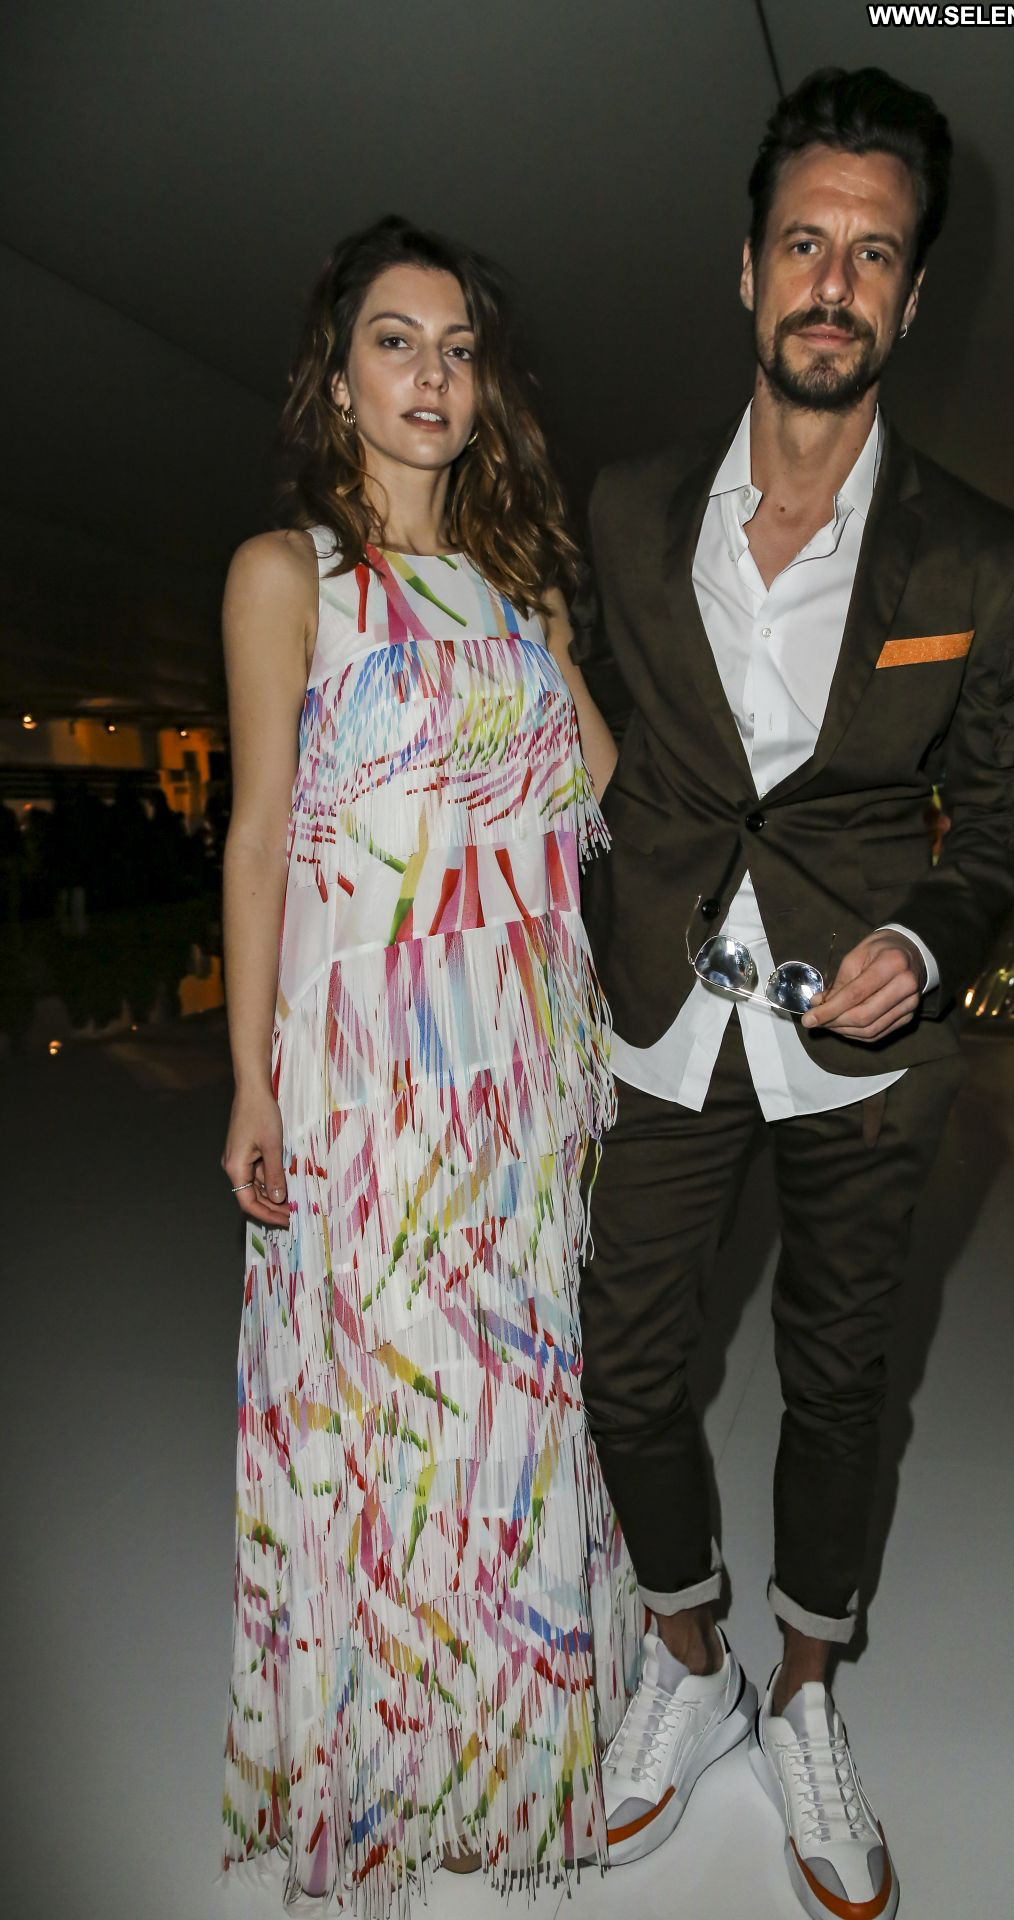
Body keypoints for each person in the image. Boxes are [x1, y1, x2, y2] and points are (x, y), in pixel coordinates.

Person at [576, 68, 1014, 1920]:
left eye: (874, 254)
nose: (833, 283)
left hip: (867, 1052)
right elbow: (579, 744)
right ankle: (687, 1660)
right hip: (664, 1015)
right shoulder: (630, 512)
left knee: (843, 1383)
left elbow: (1006, 812)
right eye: (805, 244)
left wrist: (925, 940)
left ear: (913, 297)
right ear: (748, 269)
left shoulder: (983, 552)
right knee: (629, 1365)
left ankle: (802, 1695)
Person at [218, 215, 640, 1909]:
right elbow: (259, 838)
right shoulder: (287, 576)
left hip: (518, 1071)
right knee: (384, 1420)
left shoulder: (520, 583)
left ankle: (503, 1755)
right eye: (395, 341)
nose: (431, 375)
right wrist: (252, 1081)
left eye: (459, 349)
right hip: (367, 1074)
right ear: (337, 377)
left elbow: (596, 791)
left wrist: (557, 648)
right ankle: (381, 1774)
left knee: (508, 1417)